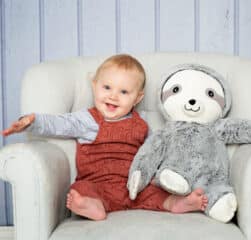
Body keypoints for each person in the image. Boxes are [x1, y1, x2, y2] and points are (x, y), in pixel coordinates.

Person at [2, 54, 208, 220]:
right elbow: (60, 124)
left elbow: (154, 152)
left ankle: (179, 204)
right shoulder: (87, 119)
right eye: (107, 87)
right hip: (97, 185)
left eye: (124, 91)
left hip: (133, 188)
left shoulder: (141, 124)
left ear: (138, 98)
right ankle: (91, 207)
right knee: (81, 189)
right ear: (94, 85)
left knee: (158, 194)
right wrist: (32, 121)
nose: (113, 96)